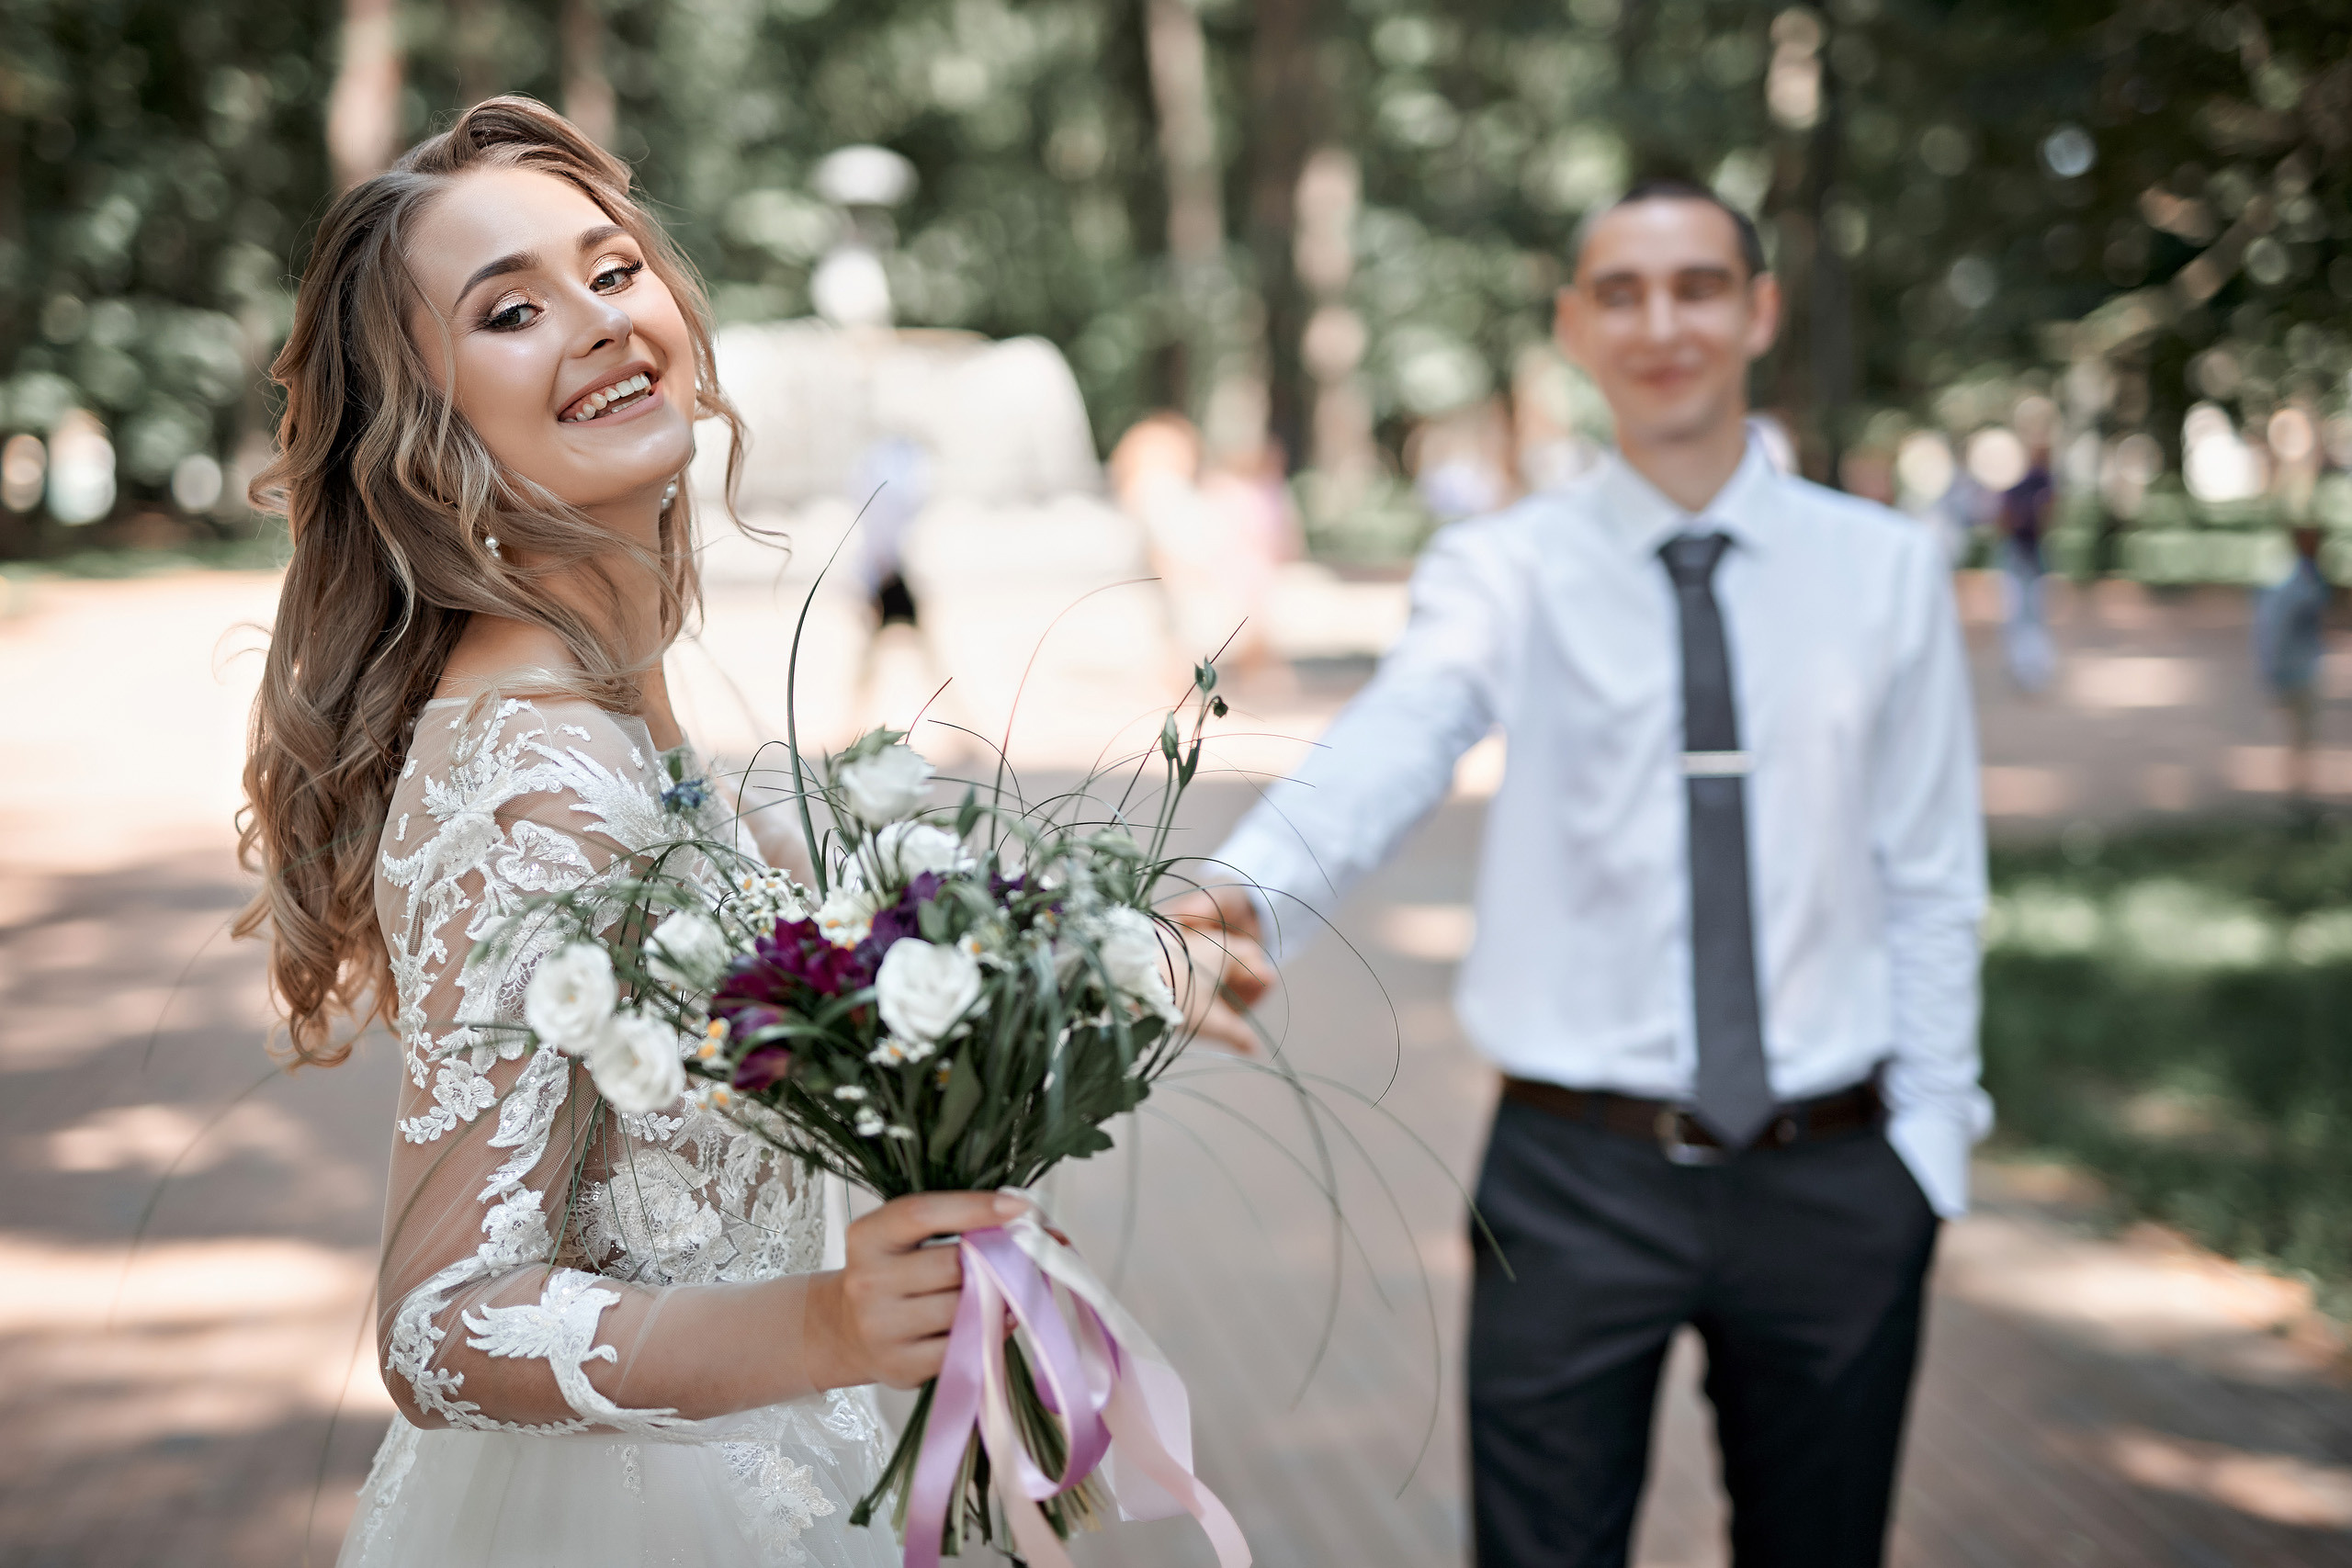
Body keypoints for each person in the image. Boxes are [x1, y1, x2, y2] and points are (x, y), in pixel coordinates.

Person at [233, 99, 1036, 1567]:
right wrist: (821, 1322)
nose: (598, 321)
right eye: (512, 310)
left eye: (612, 271)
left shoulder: (619, 707)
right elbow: (436, 1323)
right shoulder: (527, 773)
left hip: (805, 1455)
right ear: (425, 426)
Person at [1176, 178, 1989, 1566]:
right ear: (1574, 323)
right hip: (1571, 1179)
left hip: (1837, 1172)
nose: (1661, 321)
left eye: (1697, 286)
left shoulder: (1887, 569)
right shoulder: (1508, 568)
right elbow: (1395, 743)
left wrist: (1930, 1147)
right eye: (1621, 291)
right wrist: (1238, 893)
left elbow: (1931, 873)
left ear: (1758, 310)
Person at [2254, 525, 2332, 800]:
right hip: (2294, 671)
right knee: (2299, 738)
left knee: (2303, 739)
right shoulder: (2294, 581)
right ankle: (2298, 796)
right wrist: (2273, 670)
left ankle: (2300, 792)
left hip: (2302, 668)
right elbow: (2276, 628)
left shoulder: (2304, 578)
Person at [1996, 441, 2057, 693]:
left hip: (2030, 553)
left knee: (2029, 612)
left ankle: (2030, 668)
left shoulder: (2042, 483)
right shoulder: (2030, 484)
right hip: (2022, 552)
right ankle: (2026, 668)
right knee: (2023, 612)